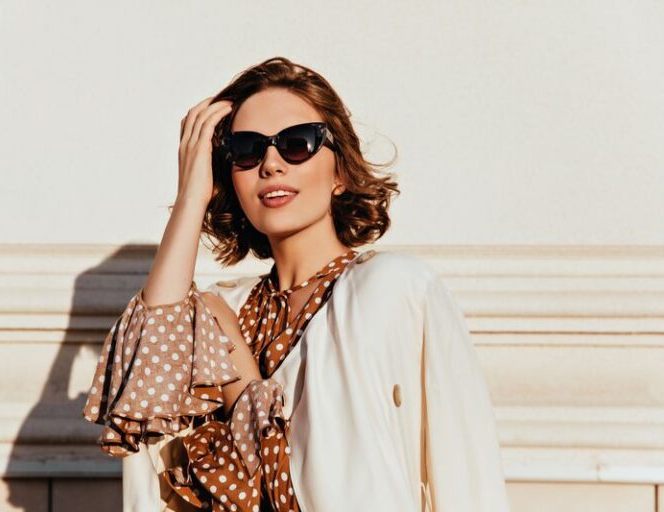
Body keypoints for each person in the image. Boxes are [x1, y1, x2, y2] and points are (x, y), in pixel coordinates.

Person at [83, 56, 511, 512]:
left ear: (341, 172)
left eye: (297, 144)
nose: (271, 164)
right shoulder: (217, 310)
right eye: (246, 151)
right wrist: (191, 195)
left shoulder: (391, 289)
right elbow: (145, 396)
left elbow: (465, 470)